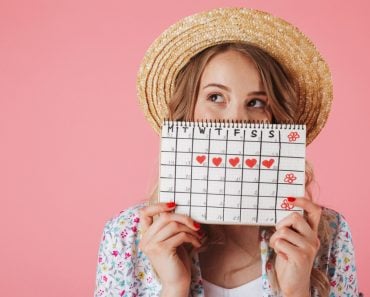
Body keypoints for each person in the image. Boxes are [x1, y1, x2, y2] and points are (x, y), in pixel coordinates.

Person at [94, 8, 359, 297]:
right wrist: (173, 287)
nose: (236, 120)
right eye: (216, 97)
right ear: (187, 114)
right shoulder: (127, 236)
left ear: (278, 121)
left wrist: (296, 290)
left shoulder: (326, 235)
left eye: (256, 102)